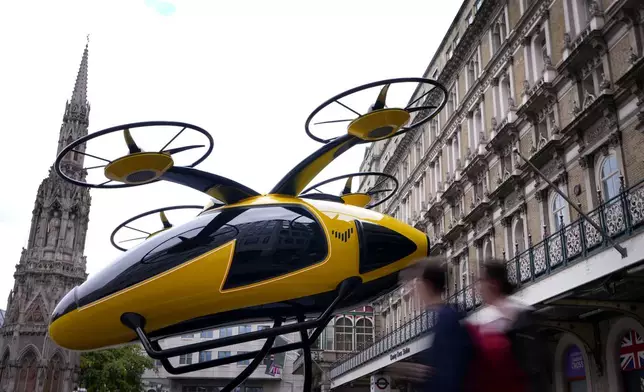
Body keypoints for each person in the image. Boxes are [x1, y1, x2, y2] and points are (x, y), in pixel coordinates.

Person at [466, 259, 549, 392]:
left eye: (480, 280)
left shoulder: (522, 315)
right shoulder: (479, 323)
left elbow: (534, 367)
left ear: (493, 284)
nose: (477, 287)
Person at [391, 258, 474, 391]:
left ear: (426, 285)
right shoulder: (444, 317)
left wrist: (419, 375)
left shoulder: (447, 319)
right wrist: (417, 372)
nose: (411, 291)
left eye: (415, 283)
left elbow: (449, 377)